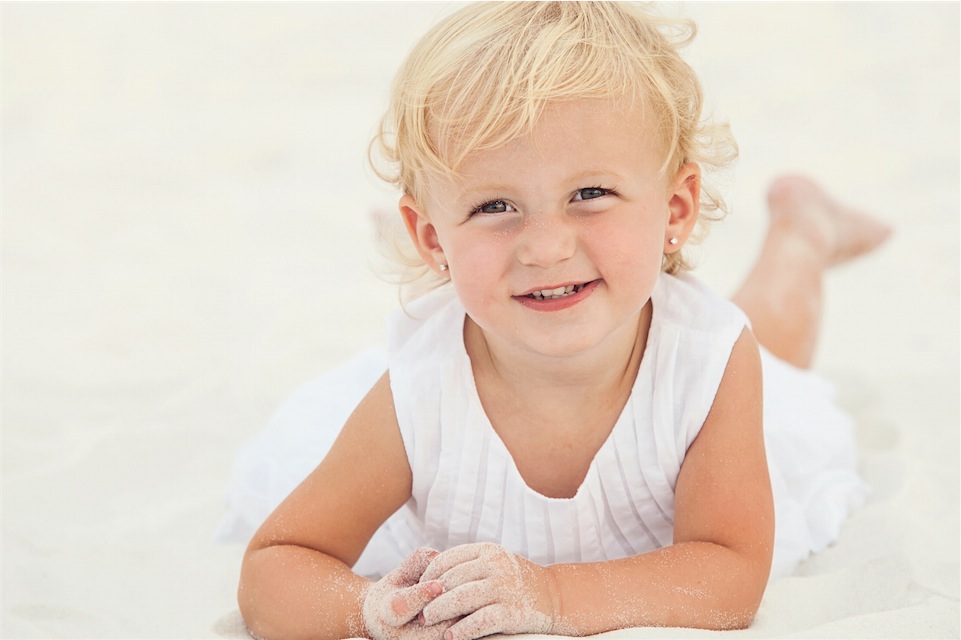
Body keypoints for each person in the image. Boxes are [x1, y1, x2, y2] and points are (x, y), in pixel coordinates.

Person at [229, 3, 891, 639]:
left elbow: (727, 571)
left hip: (708, 402)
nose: (545, 247)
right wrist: (371, 608)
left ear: (675, 209)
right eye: (493, 205)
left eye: (590, 195)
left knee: (772, 357)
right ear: (432, 239)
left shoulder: (709, 360)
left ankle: (800, 234)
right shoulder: (418, 394)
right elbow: (274, 571)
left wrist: (549, 596)